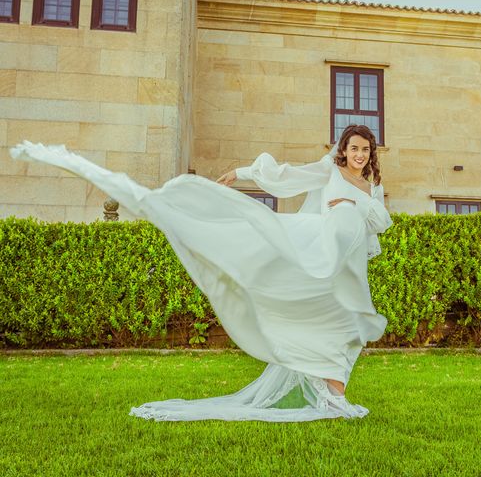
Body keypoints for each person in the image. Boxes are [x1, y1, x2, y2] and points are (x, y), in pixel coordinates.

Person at [10, 124, 392, 422]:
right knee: (337, 323)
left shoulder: (371, 185)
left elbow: (382, 221)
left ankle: (332, 397)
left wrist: (354, 206)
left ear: (370, 153)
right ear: (343, 150)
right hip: (319, 252)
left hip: (350, 261)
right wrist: (242, 172)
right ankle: (334, 399)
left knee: (349, 325)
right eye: (353, 147)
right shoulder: (329, 171)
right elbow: (287, 176)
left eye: (364, 149)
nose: (358, 154)